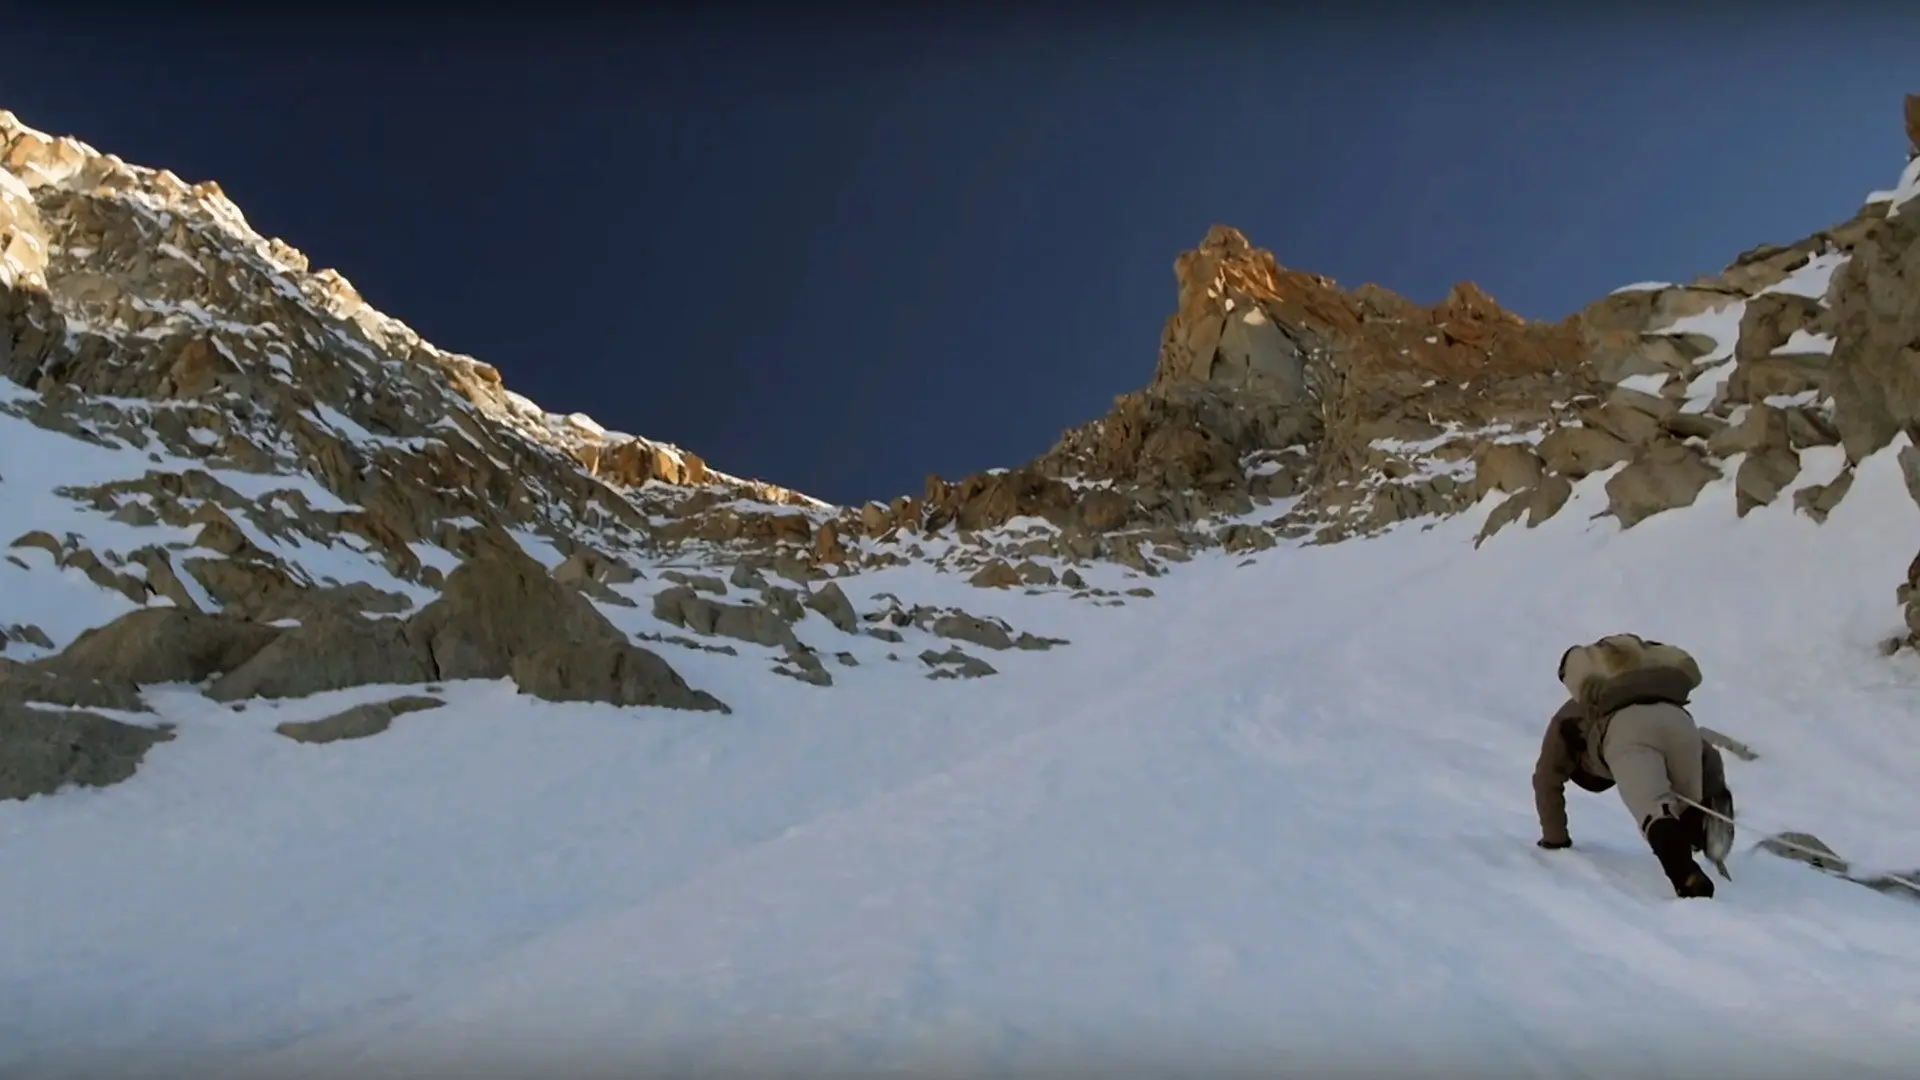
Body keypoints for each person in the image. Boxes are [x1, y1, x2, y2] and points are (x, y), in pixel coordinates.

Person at [1531, 633, 1732, 900]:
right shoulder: (1639, 687)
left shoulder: (1571, 716)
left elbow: (1546, 780)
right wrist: (1714, 789)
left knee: (1656, 811)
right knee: (1687, 806)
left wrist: (1554, 839)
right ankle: (1702, 826)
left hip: (1627, 732)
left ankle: (1686, 878)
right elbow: (1707, 754)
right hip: (1680, 721)